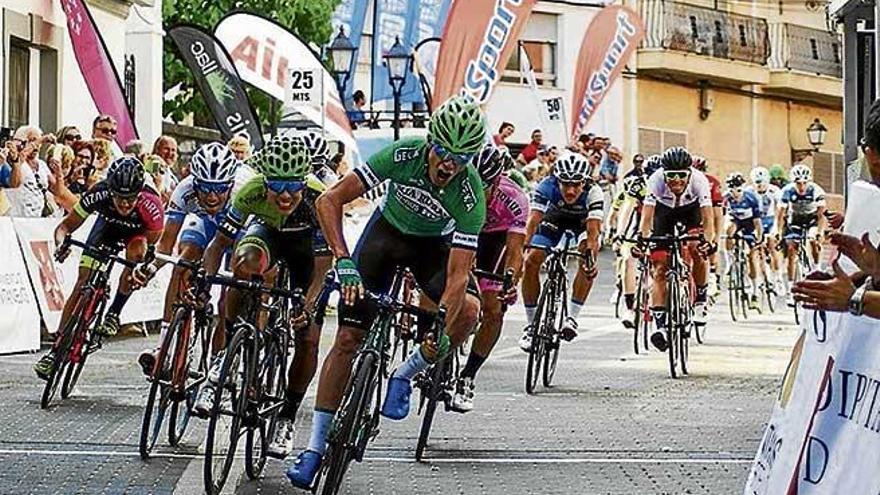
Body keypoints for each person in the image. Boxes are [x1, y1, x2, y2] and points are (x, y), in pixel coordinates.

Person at [286, 95, 487, 488]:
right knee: (347, 339)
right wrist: (343, 261)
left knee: (469, 312)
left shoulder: (469, 195)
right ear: (431, 143)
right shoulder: (403, 154)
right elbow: (330, 200)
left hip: (432, 249)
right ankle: (313, 449)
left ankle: (405, 374)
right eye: (443, 151)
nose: (448, 164)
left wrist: (440, 322)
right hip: (385, 236)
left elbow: (459, 274)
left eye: (460, 158)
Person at [33, 157, 164, 379]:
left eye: (130, 199)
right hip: (106, 230)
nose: (124, 204)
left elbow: (152, 250)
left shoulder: (152, 204)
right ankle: (56, 351)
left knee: (137, 254)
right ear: (110, 189)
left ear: (139, 194)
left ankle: (114, 312)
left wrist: (141, 270)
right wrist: (61, 242)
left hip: (136, 235)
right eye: (119, 197)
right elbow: (64, 227)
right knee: (83, 281)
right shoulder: (99, 192)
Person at [133, 143, 241, 380]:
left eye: (220, 189)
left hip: (238, 234)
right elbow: (166, 243)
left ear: (230, 184)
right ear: (195, 183)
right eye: (205, 189)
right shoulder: (184, 190)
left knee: (228, 299)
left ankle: (218, 366)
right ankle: (164, 347)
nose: (212, 196)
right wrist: (151, 267)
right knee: (182, 264)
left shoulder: (243, 191)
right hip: (205, 225)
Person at [453, 145, 528, 412]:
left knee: (494, 309)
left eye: (485, 185)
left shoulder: (515, 197)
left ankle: (467, 376)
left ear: (497, 180)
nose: (478, 191)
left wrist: (510, 279)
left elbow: (516, 250)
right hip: (461, 230)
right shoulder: (455, 186)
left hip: (494, 239)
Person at [518, 151, 603, 351]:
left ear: (585, 182)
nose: (571, 191)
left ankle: (572, 318)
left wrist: (591, 260)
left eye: (576, 185)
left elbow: (593, 232)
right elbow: (533, 221)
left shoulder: (594, 191)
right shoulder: (546, 185)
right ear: (557, 180)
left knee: (586, 254)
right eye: (566, 184)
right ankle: (531, 326)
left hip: (583, 223)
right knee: (532, 260)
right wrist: (522, 252)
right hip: (554, 220)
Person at [637, 147, 715, 352]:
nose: (676, 181)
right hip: (664, 213)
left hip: (691, 212)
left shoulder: (699, 180)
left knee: (696, 248)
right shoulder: (655, 180)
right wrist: (642, 240)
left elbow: (708, 219)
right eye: (671, 176)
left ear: (689, 173)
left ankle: (700, 300)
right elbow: (646, 218)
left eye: (682, 175)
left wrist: (709, 241)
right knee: (659, 267)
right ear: (664, 174)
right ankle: (660, 325)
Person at [777, 164, 827, 306]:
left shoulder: (816, 190)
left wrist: (820, 231)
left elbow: (822, 214)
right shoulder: (786, 191)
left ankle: (816, 268)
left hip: (812, 219)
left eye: (804, 183)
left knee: (812, 240)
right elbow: (780, 214)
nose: (801, 186)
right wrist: (777, 230)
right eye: (798, 183)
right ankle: (791, 289)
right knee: (792, 249)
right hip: (795, 220)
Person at [722, 172, 765, 309]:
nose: (735, 194)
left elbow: (758, 223)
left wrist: (759, 237)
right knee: (728, 230)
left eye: (739, 190)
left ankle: (755, 291)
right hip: (735, 221)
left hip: (749, 224)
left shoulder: (751, 198)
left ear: (743, 188)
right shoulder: (725, 198)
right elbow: (719, 216)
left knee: (751, 256)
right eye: (732, 190)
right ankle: (729, 264)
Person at [5, 126, 56, 218]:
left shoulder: (42, 164)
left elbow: (56, 188)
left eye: (37, 141)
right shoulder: (13, 160)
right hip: (17, 220)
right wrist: (41, 139)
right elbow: (21, 156)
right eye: (31, 140)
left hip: (37, 221)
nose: (36, 146)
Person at [692, 155, 724, 298]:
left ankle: (712, 276)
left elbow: (717, 215)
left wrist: (715, 238)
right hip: (691, 217)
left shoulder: (712, 183)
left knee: (710, 246)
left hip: (708, 217)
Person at [748, 166, 784, 295]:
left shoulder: (775, 191)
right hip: (755, 222)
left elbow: (780, 211)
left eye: (763, 182)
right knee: (753, 249)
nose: (760, 186)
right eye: (757, 183)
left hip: (770, 220)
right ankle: (757, 278)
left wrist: (776, 228)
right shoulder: (749, 192)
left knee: (772, 244)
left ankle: (778, 277)